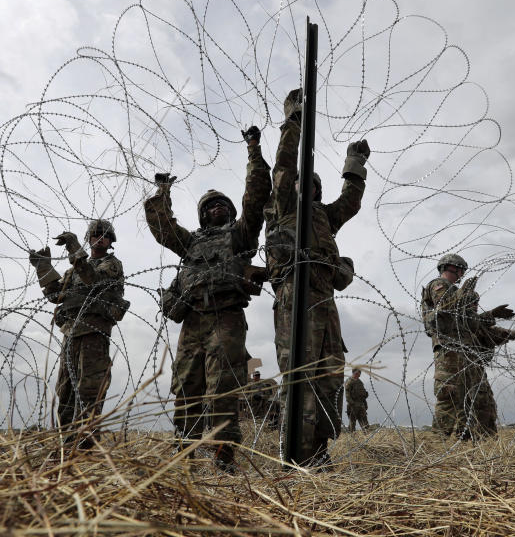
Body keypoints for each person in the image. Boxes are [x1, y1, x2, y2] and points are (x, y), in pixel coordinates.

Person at [144, 126, 271, 472]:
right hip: (193, 320)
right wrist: (162, 191)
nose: (217, 208)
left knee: (223, 387)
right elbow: (162, 227)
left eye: (222, 205)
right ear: (202, 215)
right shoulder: (192, 243)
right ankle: (184, 451)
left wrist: (254, 151)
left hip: (226, 318)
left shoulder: (240, 236)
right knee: (186, 386)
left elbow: (256, 196)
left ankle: (223, 455)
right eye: (210, 205)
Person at [265, 88, 370, 466]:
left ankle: (319, 451)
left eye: (312, 185)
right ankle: (295, 452)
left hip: (326, 302)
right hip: (295, 298)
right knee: (298, 373)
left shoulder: (324, 216)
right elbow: (282, 167)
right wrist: (294, 121)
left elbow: (351, 201)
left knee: (328, 375)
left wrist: (354, 163)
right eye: (299, 183)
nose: (304, 187)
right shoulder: (282, 210)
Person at [29, 219, 128, 448]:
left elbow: (92, 279)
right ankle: (65, 445)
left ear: (111, 241)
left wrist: (74, 247)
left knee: (89, 390)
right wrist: (43, 266)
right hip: (71, 333)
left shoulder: (112, 265)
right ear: (89, 237)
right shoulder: (73, 270)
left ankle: (85, 446)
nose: (99, 237)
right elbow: (56, 295)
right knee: (65, 390)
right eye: (95, 233)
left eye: (104, 235)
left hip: (94, 332)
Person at [422, 253, 515, 439]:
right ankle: (438, 442)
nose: (462, 275)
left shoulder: (454, 290)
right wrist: (462, 294)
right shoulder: (438, 285)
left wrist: (491, 314)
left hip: (467, 351)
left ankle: (471, 436)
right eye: (461, 270)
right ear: (451, 268)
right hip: (451, 351)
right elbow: (446, 313)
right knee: (450, 395)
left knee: (476, 396)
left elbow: (469, 323)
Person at [458, 277, 515, 436]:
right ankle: (460, 436)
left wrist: (514, 333)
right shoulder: (457, 320)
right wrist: (491, 313)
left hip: (476, 365)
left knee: (485, 402)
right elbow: (465, 320)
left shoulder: (477, 322)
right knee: (463, 404)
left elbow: (492, 332)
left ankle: (485, 436)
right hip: (460, 366)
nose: (474, 305)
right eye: (470, 301)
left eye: (476, 302)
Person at [345, 368, 369, 432]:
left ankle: (366, 433)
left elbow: (363, 393)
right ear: (353, 373)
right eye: (357, 373)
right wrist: (351, 403)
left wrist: (365, 401)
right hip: (353, 404)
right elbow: (347, 394)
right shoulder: (349, 381)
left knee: (364, 419)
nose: (359, 375)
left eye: (359, 373)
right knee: (352, 421)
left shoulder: (359, 382)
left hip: (361, 403)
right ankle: (352, 434)